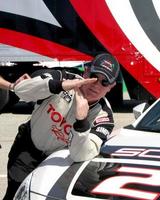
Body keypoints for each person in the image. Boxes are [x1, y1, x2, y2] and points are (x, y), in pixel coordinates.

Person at [3, 53, 120, 200]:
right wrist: (59, 86)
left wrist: (81, 121)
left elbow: (80, 155)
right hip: (29, 147)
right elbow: (21, 91)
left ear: (112, 86)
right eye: (95, 76)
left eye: (105, 82)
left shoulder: (104, 117)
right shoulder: (62, 76)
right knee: (16, 193)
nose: (96, 85)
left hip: (58, 162)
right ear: (86, 71)